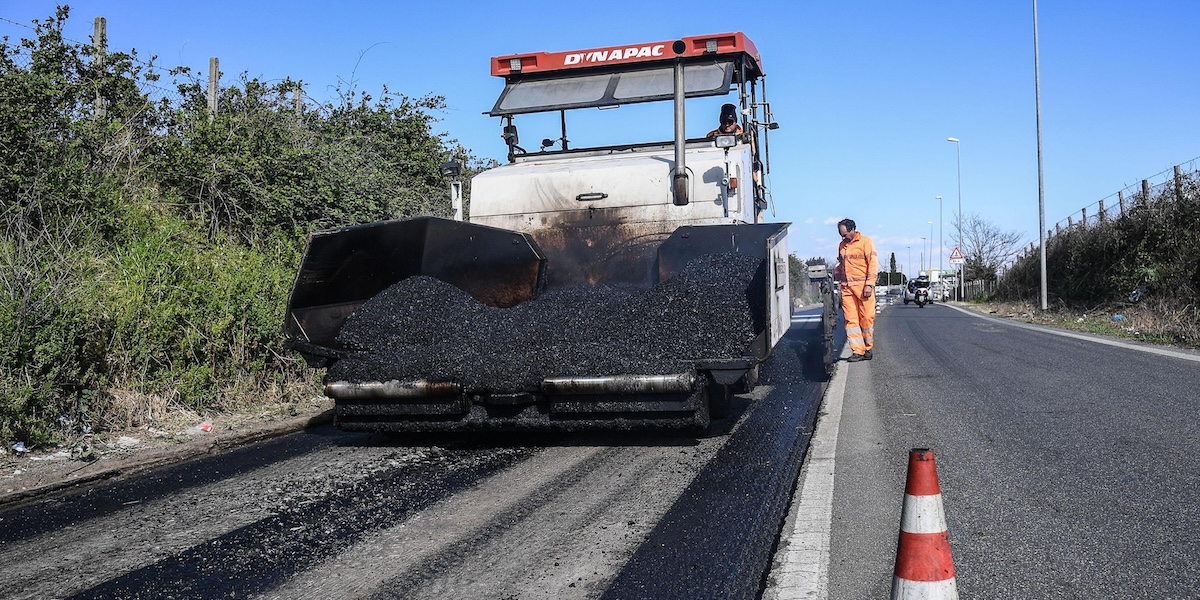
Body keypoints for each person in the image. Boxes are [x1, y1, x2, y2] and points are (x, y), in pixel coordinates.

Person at [833, 218, 879, 362]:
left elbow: (873, 264)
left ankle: (868, 348)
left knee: (866, 318)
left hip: (863, 288)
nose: (843, 237)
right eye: (841, 234)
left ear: (852, 230)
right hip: (847, 289)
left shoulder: (866, 242)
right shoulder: (842, 245)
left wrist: (869, 284)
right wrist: (835, 274)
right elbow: (842, 265)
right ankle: (857, 351)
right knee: (851, 321)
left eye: (845, 234)